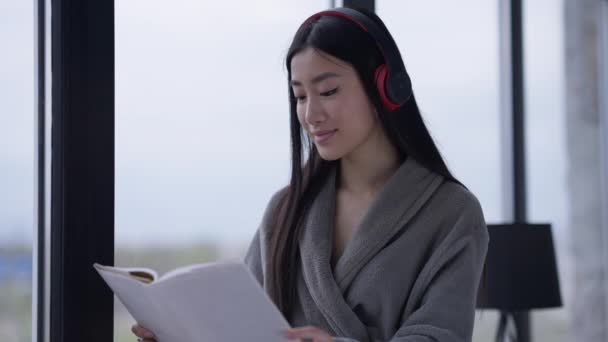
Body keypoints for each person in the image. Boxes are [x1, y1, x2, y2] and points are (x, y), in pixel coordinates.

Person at [132, 7, 489, 342]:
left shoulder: (452, 213)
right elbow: (243, 327)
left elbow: (441, 334)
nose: (310, 114)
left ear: (385, 87)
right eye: (300, 96)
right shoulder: (285, 208)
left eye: (328, 91)